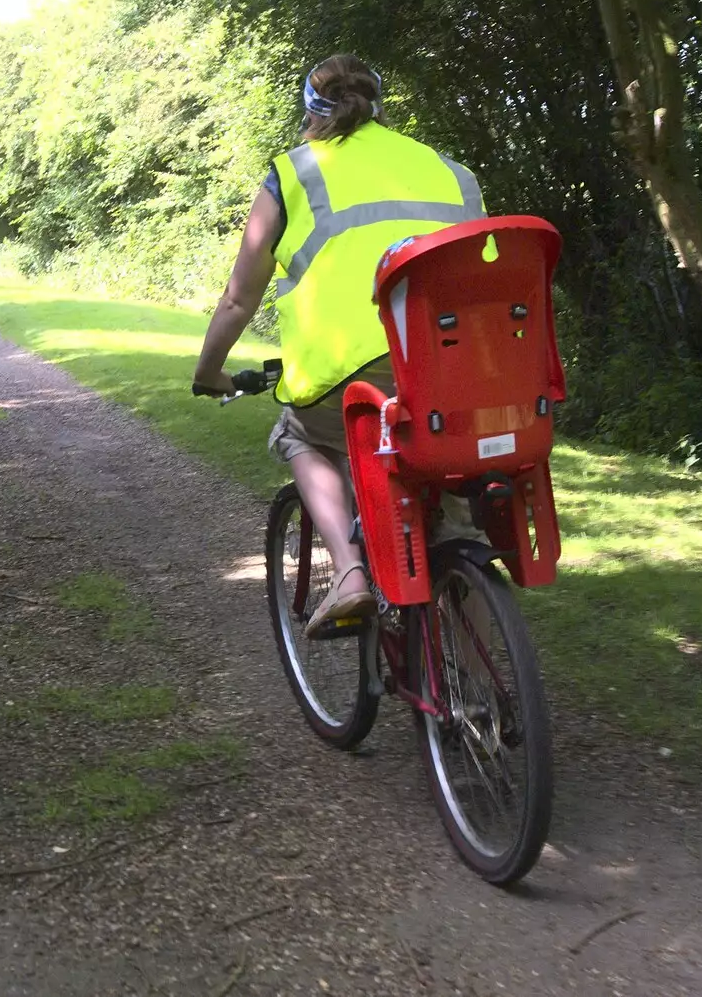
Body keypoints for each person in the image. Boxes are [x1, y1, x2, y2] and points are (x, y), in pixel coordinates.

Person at [192, 53, 485, 636]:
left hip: (356, 371)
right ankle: (477, 689)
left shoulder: (295, 173)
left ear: (311, 110)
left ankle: (350, 574)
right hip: (455, 369)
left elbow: (236, 300)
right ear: (378, 107)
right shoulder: (451, 171)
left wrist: (209, 372)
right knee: (449, 499)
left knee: (300, 435)